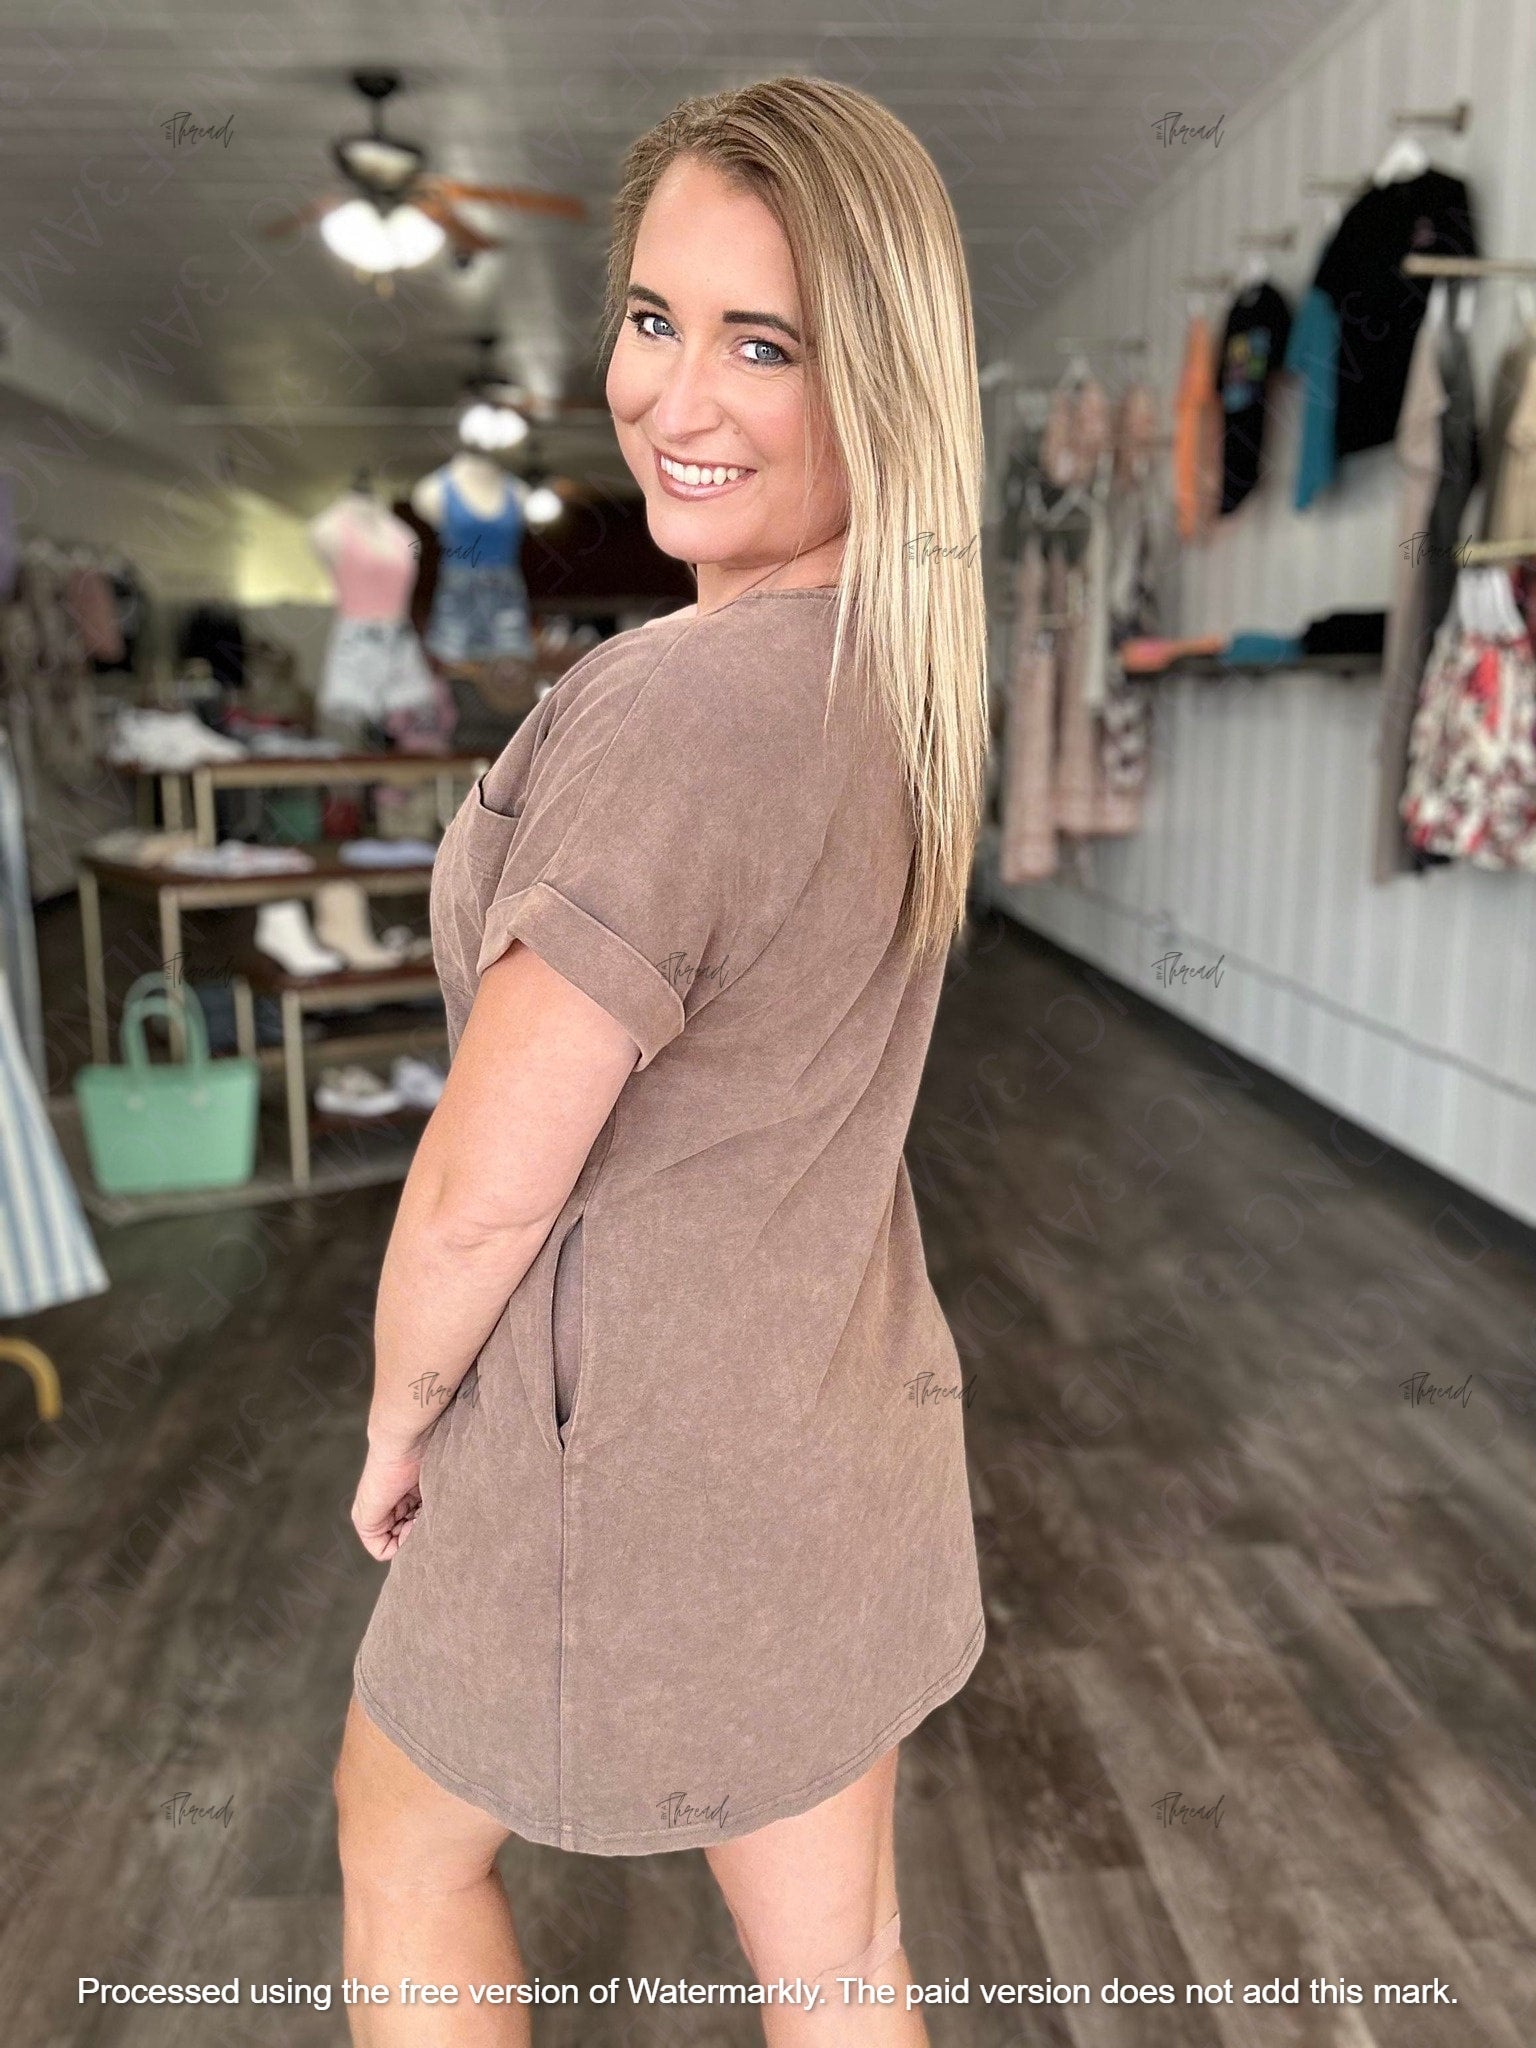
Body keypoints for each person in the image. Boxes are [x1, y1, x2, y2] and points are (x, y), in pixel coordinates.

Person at [334, 74, 989, 2047]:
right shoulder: (895, 680)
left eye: (762, 344)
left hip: (627, 1462)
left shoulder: (681, 708)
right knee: (844, 1963)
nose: (676, 399)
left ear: (880, 381)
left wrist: (398, 1415)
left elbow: (483, 1192)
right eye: (651, 318)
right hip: (834, 1428)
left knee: (400, 1849)